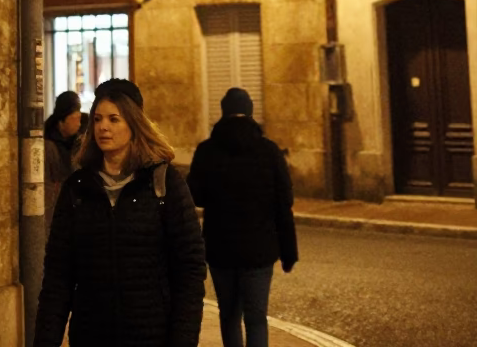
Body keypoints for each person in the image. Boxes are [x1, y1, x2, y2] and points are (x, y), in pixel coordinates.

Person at [34, 77, 205, 347]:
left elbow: (190, 271)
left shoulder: (164, 184)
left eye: (114, 119)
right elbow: (58, 275)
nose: (103, 127)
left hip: (151, 336)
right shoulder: (77, 188)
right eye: (98, 118)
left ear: (133, 124)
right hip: (91, 335)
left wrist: (182, 340)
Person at [187, 87, 298, 347]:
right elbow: (284, 203)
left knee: (229, 315)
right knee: (257, 318)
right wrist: (288, 251)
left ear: (223, 113)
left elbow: (195, 195)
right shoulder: (269, 151)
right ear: (250, 112)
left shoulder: (207, 151)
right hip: (260, 249)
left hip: (220, 247)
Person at [44, 89, 88, 231]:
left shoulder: (79, 140)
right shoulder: (47, 145)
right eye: (75, 119)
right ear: (62, 120)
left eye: (80, 118)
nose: (79, 123)